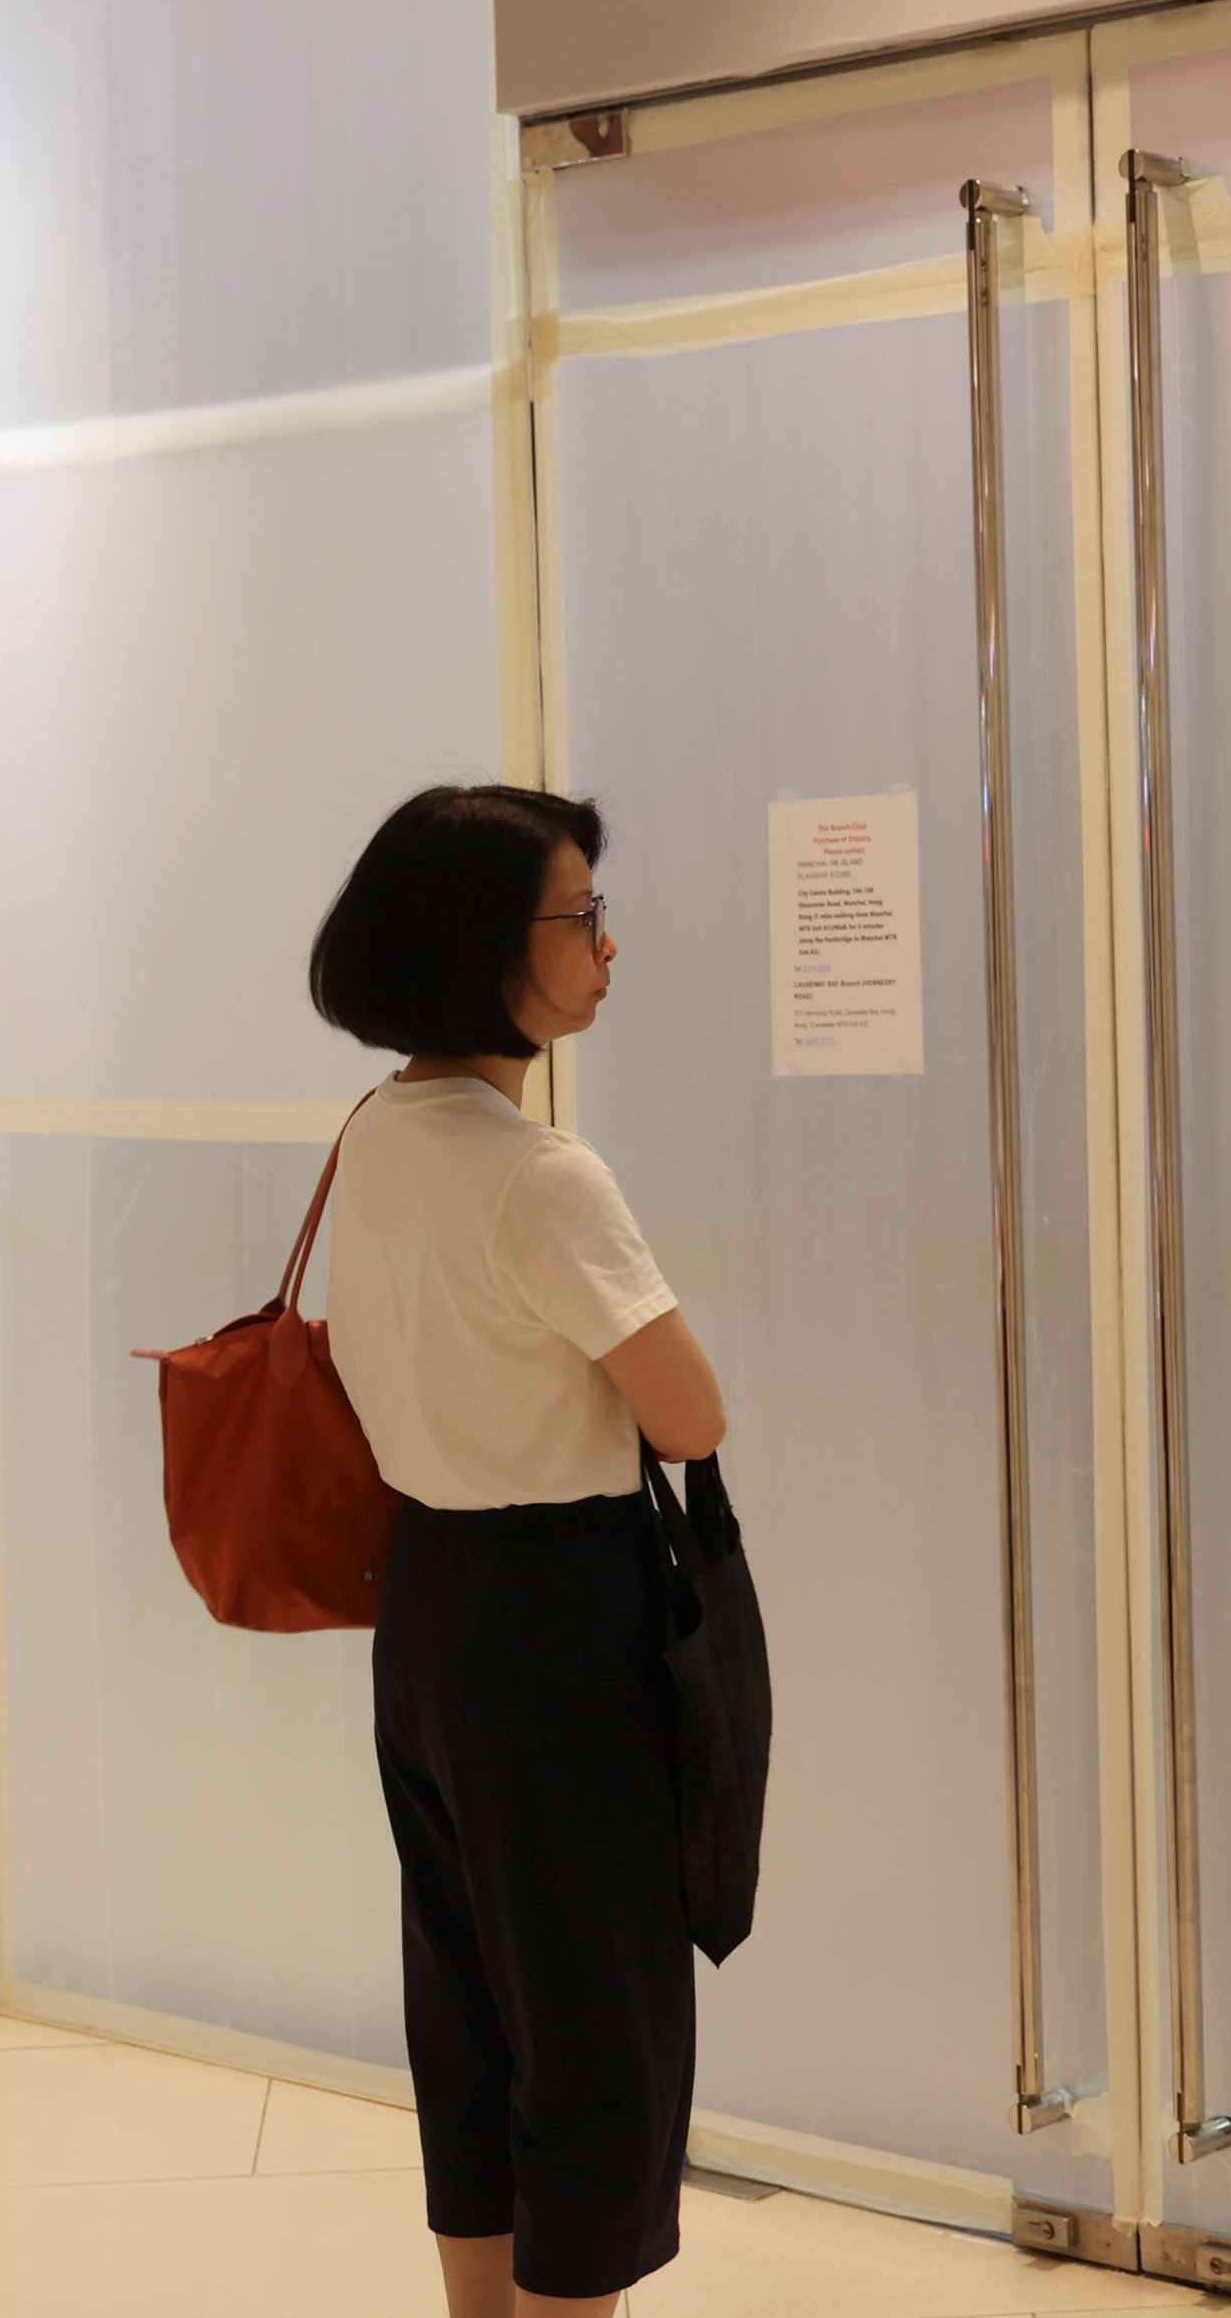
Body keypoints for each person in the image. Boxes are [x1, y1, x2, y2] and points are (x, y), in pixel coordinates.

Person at [308, 783, 729, 2318]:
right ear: (488, 943)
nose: (610, 947)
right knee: (598, 2017)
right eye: (583, 916)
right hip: (556, 1614)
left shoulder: (378, 1133)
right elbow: (690, 1414)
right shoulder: (543, 1172)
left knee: (471, 1992)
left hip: (425, 1610)